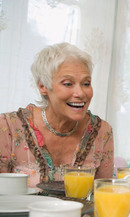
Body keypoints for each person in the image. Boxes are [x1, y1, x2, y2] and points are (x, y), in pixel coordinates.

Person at [0, 43, 114, 187]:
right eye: (67, 84)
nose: (80, 93)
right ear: (43, 86)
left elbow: (105, 193)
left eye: (86, 83)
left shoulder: (102, 132)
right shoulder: (8, 127)